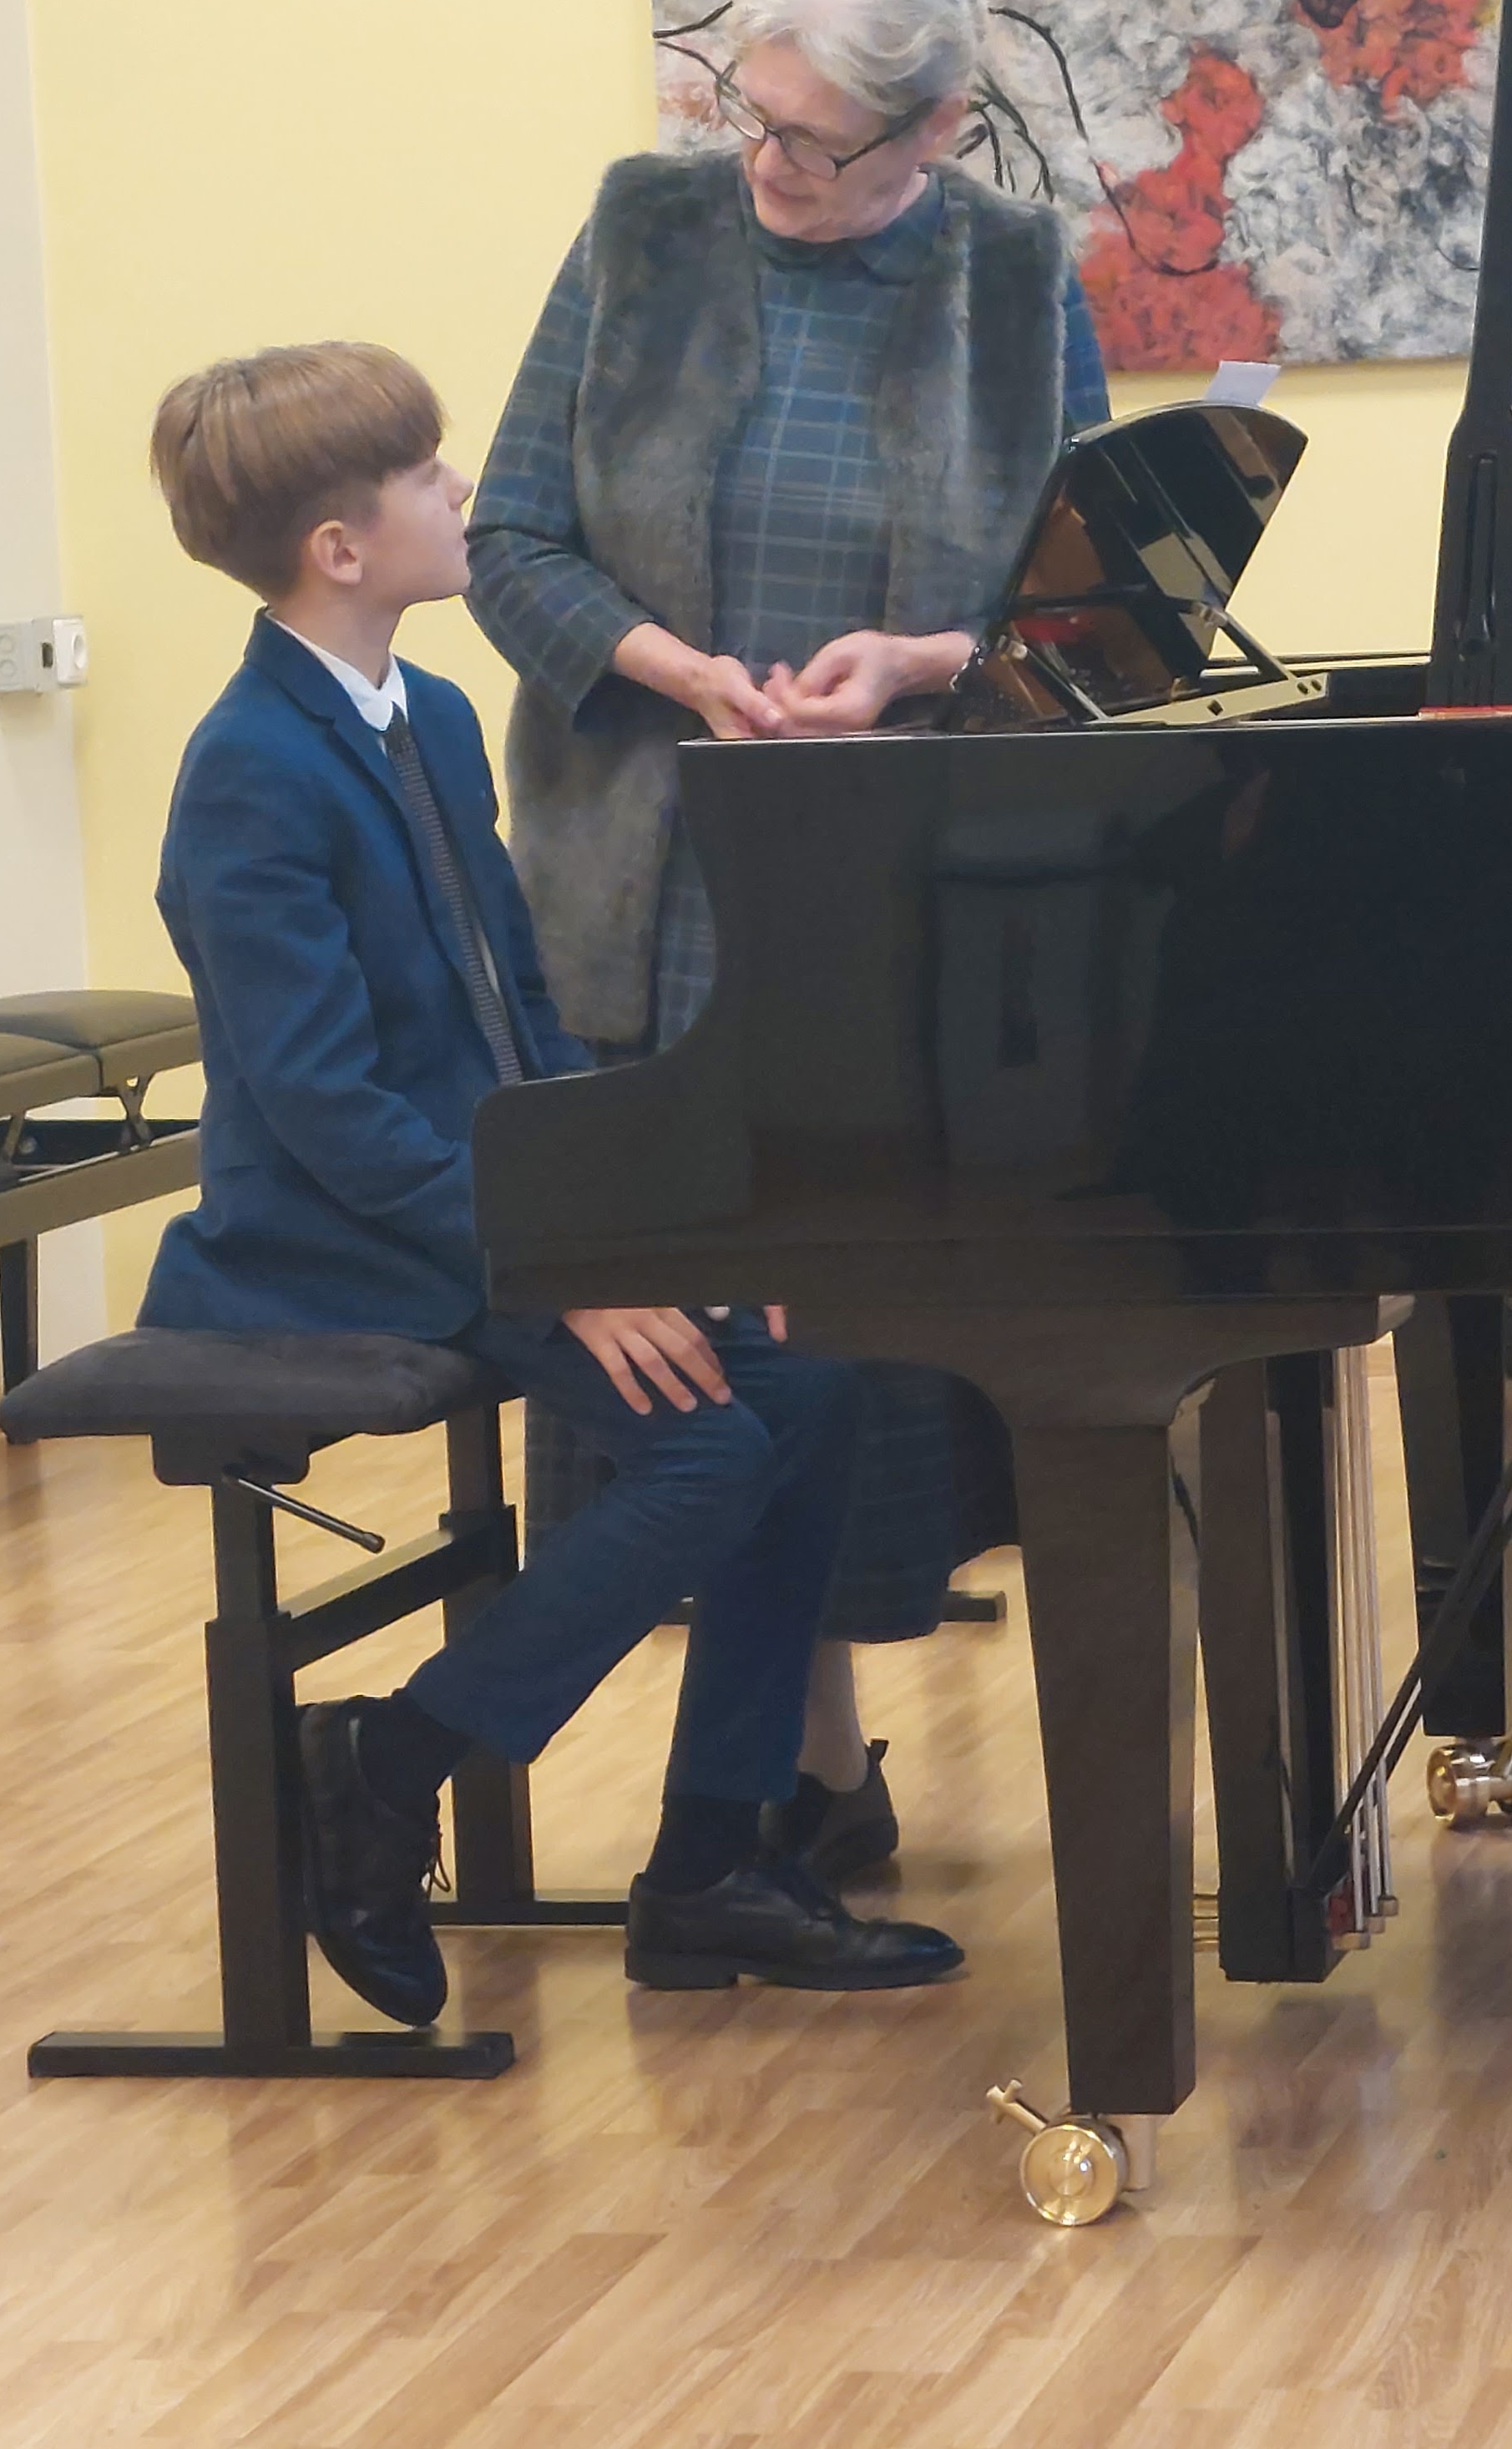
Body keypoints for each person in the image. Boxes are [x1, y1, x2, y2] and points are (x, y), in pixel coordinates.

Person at [139, 338, 963, 2020]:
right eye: (425, 475)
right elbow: (325, 1110)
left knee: (812, 1382)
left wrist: (653, 1223)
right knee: (708, 1440)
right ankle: (388, 1763)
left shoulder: (434, 715)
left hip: (484, 1205)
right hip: (338, 1242)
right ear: (340, 549)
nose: (462, 490)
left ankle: (710, 1863)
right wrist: (566, 1264)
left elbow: (521, 1019)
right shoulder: (248, 767)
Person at [468, 0, 1110, 1883]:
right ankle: (796, 1782)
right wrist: (675, 666)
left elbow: (1092, 606)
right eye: (748, 115)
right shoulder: (645, 227)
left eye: (816, 141)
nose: (767, 163)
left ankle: (796, 1778)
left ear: (935, 132)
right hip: (647, 883)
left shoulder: (1015, 278)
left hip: (897, 899)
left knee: (855, 1342)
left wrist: (916, 664)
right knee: (710, 1353)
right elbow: (509, 539)